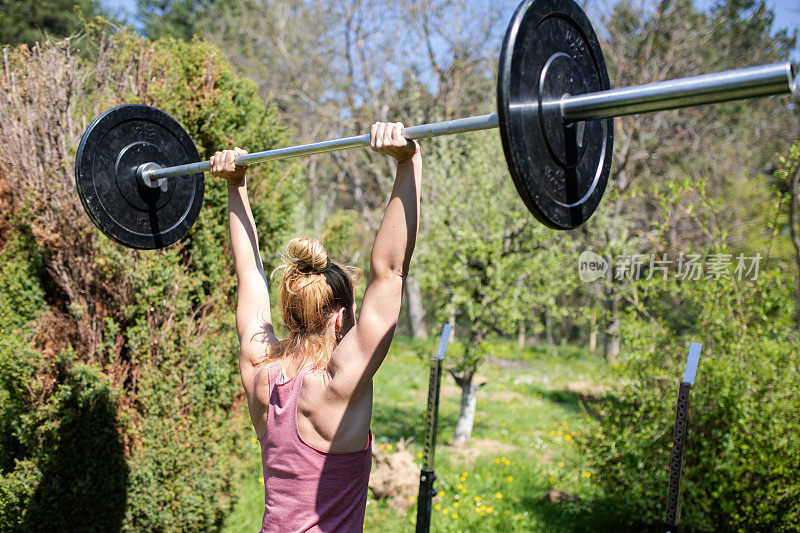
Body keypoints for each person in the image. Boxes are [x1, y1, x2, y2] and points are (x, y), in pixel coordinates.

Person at [210, 122, 421, 532]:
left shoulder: (260, 370)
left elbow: (249, 276)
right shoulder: (338, 387)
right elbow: (391, 273)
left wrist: (235, 184)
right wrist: (407, 161)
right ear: (340, 317)